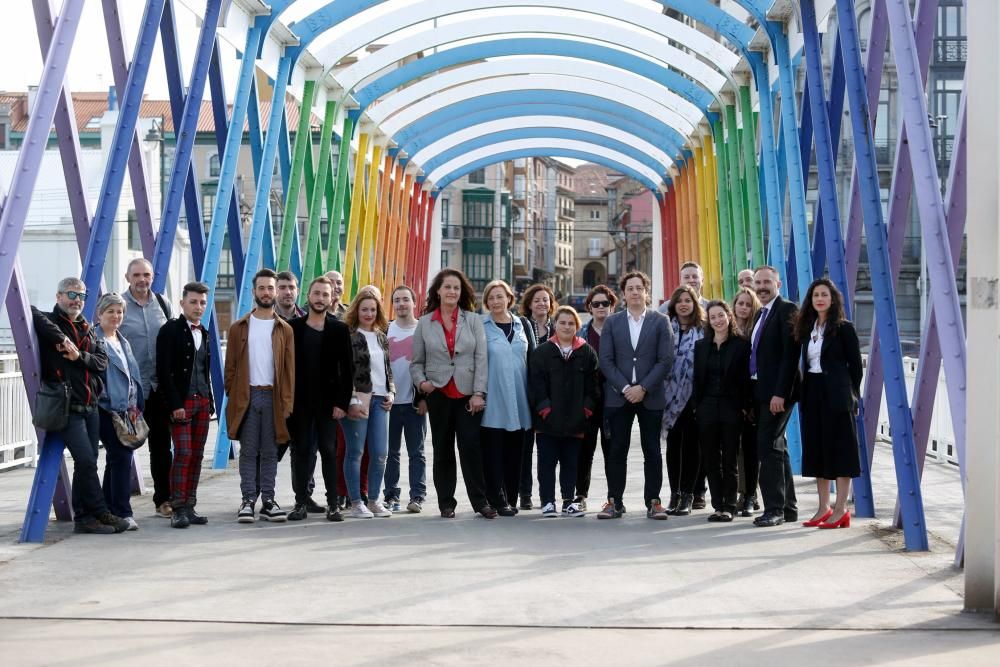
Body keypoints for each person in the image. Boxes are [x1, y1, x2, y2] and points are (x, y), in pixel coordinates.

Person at [32, 278, 126, 534]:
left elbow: (101, 361)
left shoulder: (88, 327)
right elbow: (30, 311)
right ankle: (101, 512)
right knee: (85, 460)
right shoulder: (50, 323)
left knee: (90, 460)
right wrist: (63, 339)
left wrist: (78, 356)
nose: (77, 300)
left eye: (82, 296)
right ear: (59, 296)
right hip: (67, 406)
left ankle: (84, 517)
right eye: (71, 294)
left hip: (90, 404)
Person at [410, 269, 496, 519]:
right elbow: (416, 362)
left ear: (462, 292)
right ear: (438, 290)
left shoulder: (473, 320)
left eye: (456, 288)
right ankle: (446, 503)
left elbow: (482, 359)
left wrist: (479, 392)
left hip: (468, 395)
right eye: (447, 287)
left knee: (471, 448)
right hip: (438, 393)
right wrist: (422, 383)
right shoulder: (425, 322)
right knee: (442, 449)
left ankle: (481, 502)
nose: (452, 292)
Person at [596, 271, 675, 520]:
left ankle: (654, 501)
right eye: (630, 288)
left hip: (650, 396)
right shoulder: (612, 322)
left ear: (646, 292)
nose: (635, 292)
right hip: (619, 397)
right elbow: (606, 361)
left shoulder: (661, 321)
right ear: (623, 294)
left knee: (652, 449)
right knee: (617, 449)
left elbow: (665, 360)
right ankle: (614, 501)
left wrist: (643, 388)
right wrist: (626, 388)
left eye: (639, 288)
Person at [225, 269, 295, 524]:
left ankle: (268, 500)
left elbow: (289, 371)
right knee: (248, 451)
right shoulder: (238, 327)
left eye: (270, 288)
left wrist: (286, 403)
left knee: (270, 451)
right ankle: (247, 500)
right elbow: (230, 367)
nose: (266, 292)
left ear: (276, 292)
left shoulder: (284, 329)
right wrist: (233, 395)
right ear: (254, 292)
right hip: (248, 396)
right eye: (262, 288)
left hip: (273, 398)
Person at [793, 279, 863, 530]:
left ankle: (842, 508)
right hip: (812, 392)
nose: (820, 299)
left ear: (832, 299)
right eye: (815, 295)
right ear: (810, 301)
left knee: (841, 450)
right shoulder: (807, 328)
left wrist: (850, 394)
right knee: (817, 449)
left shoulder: (843, 328)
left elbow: (855, 367)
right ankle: (824, 507)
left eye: (824, 294)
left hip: (837, 395)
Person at [286, 276, 355, 522]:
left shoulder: (339, 329)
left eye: (325, 295)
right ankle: (300, 503)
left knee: (329, 451)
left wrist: (342, 403)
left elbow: (347, 370)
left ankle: (333, 504)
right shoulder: (293, 327)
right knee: (302, 451)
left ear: (331, 298)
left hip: (329, 404)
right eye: (316, 294)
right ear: (309, 296)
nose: (320, 298)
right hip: (299, 403)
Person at [529, 306, 599, 518]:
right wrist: (545, 410)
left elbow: (593, 386)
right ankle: (547, 501)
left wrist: (586, 410)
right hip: (547, 422)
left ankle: (569, 501)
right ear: (555, 325)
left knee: (571, 464)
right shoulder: (542, 352)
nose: (566, 326)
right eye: (562, 322)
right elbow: (535, 385)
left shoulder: (586, 352)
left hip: (576, 422)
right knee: (546, 464)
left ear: (577, 326)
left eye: (571, 323)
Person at [156, 281, 215, 529]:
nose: (198, 307)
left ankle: (190, 505)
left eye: (202, 302)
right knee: (183, 453)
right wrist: (175, 403)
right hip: (181, 402)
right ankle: (177, 507)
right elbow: (164, 371)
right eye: (193, 302)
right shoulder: (170, 330)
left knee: (198, 455)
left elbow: (205, 369)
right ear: (182, 303)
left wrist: (210, 400)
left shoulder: (205, 332)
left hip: (202, 402)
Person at [119, 258, 173, 518]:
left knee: (161, 447)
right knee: (122, 446)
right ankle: (117, 504)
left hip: (158, 388)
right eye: (137, 275)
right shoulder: (118, 306)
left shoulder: (163, 304)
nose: (142, 280)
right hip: (130, 391)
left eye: (147, 275)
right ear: (127, 277)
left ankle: (163, 499)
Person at [749, 266, 801, 527]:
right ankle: (788, 508)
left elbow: (791, 356)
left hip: (778, 393)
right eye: (758, 282)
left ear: (778, 283)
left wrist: (780, 393)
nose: (762, 287)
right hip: (763, 391)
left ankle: (774, 510)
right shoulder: (762, 312)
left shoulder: (787, 310)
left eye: (767, 282)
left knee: (767, 447)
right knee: (777, 448)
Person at [693, 301, 752, 522]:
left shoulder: (741, 345)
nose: (718, 320)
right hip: (706, 407)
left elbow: (746, 380)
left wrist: (745, 407)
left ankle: (729, 505)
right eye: (713, 317)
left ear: (729, 316)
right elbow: (697, 380)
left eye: (721, 315)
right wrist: (696, 407)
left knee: (729, 458)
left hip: (731, 408)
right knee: (710, 458)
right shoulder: (701, 346)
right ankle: (717, 505)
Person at [341, 288, 396, 519]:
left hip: (381, 400)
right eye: (364, 309)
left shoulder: (382, 336)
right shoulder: (349, 336)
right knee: (355, 452)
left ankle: (373, 500)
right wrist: (351, 399)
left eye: (373, 309)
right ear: (356, 310)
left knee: (381, 453)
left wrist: (391, 392)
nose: (369, 313)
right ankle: (356, 503)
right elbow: (343, 370)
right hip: (358, 398)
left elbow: (387, 369)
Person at [480, 279, 533, 516]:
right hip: (494, 399)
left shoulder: (523, 325)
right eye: (491, 298)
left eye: (500, 296)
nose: (495, 301)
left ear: (509, 299)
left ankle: (511, 498)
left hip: (520, 399)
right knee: (493, 454)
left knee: (516, 454)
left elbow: (532, 360)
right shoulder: (481, 326)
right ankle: (496, 499)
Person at [95, 293, 144, 531]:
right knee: (122, 457)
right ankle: (123, 511)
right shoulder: (96, 339)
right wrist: (106, 399)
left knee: (115, 460)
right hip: (107, 409)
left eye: (120, 312)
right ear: (100, 314)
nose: (116, 316)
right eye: (111, 311)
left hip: (127, 409)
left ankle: (107, 509)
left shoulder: (122, 340)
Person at [661, 285, 706, 516]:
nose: (684, 304)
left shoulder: (703, 329)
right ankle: (675, 493)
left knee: (691, 447)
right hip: (668, 398)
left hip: (694, 397)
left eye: (688, 300)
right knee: (673, 446)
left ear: (695, 303)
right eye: (679, 300)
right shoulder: (666, 327)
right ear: (673, 305)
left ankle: (689, 494)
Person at [384, 286, 428, 513]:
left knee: (416, 453)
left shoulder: (423, 330)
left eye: (405, 300)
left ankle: (417, 496)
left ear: (413, 302)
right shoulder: (385, 329)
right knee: (390, 453)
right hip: (388, 403)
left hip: (414, 403)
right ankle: (391, 495)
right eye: (397, 300)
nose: (401, 304)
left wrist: (424, 398)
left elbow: (431, 366)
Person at [573, 285, 616, 510]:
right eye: (596, 304)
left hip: (613, 399)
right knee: (584, 450)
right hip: (587, 399)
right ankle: (580, 495)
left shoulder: (619, 331)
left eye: (605, 303)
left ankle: (613, 497)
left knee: (612, 450)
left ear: (612, 306)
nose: (601, 307)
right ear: (589, 307)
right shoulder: (580, 334)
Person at [516, 282, 555, 509]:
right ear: (529, 304)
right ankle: (524, 493)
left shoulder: (556, 327)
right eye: (537, 300)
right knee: (524, 448)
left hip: (549, 396)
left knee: (546, 449)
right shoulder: (522, 325)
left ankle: (546, 495)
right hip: (526, 393)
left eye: (545, 300)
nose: (542, 303)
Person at [732, 287, 762, 515]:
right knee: (735, 449)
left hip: (752, 395)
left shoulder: (756, 331)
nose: (743, 307)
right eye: (740, 303)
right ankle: (739, 493)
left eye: (748, 304)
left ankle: (750, 494)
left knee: (751, 449)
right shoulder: (728, 330)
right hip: (733, 397)